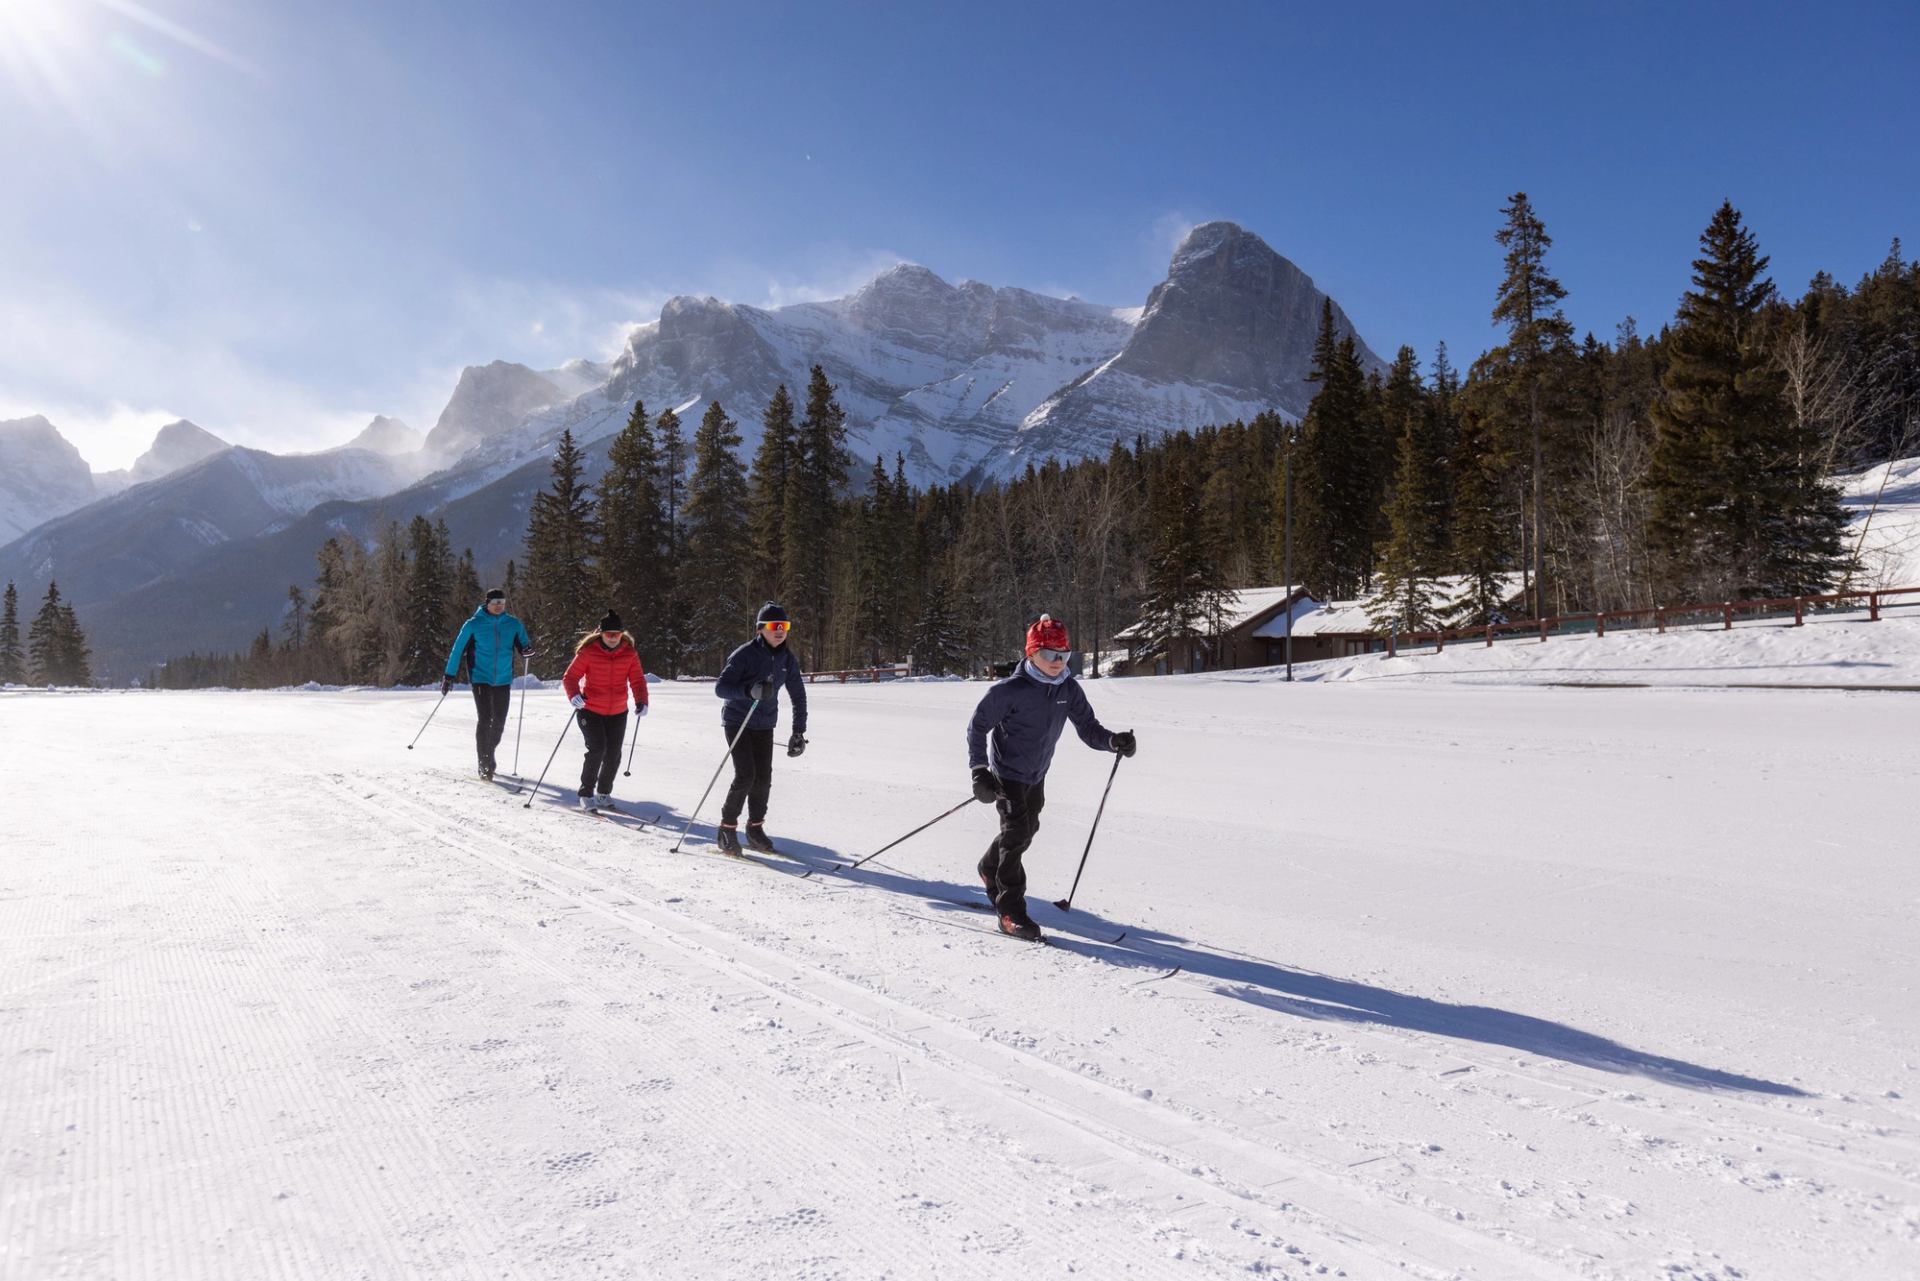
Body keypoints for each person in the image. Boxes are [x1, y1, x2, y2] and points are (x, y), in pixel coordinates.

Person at [966, 614, 1136, 940]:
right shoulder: (1010, 690)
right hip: (1007, 776)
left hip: (1036, 774)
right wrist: (979, 772)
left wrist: (1113, 741)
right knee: (1015, 837)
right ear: (1032, 654)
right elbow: (978, 727)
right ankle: (1009, 911)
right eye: (1049, 655)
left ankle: (989, 868)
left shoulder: (1067, 689)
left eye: (1064, 655)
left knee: (1028, 830)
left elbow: (1088, 728)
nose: (1057, 662)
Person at [711, 602, 808, 855]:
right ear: (760, 629)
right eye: (775, 626)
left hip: (765, 723)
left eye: (784, 626)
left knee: (763, 778)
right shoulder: (744, 654)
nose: (780, 631)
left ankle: (755, 829)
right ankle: (726, 829)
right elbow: (721, 688)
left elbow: (798, 695)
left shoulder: (787, 659)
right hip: (738, 720)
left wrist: (799, 731)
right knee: (746, 775)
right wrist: (747, 691)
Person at [561, 611, 648, 811]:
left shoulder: (629, 653)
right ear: (600, 633)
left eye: (616, 634)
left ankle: (603, 793)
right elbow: (570, 677)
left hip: (618, 711)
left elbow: (637, 680)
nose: (612, 637)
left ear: (621, 634)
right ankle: (585, 793)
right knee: (597, 749)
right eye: (608, 634)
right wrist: (574, 695)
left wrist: (642, 701)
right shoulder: (588, 652)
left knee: (613, 753)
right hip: (590, 709)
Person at [442, 588, 533, 781]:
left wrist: (526, 650)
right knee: (486, 719)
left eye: (502, 603)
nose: (499, 606)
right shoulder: (473, 625)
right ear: (487, 603)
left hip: (503, 679)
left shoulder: (513, 624)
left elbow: (524, 645)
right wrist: (448, 676)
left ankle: (488, 751)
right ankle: (484, 762)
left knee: (499, 722)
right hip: (480, 677)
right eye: (495, 603)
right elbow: (457, 650)